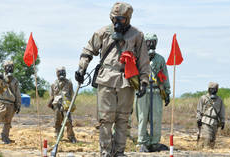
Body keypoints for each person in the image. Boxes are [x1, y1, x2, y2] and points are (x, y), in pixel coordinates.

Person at [75, 2, 150, 157]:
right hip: (106, 80)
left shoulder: (137, 35)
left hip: (127, 81)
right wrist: (81, 68)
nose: (117, 22)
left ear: (128, 18)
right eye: (115, 18)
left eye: (122, 19)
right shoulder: (103, 32)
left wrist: (144, 82)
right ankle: (105, 152)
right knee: (105, 119)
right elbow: (88, 50)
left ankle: (119, 152)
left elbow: (143, 60)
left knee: (123, 119)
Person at [135, 33, 171, 152]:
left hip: (156, 91)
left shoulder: (160, 59)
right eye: (149, 42)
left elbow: (165, 75)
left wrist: (167, 92)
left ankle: (155, 142)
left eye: (153, 42)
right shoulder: (138, 57)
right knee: (142, 117)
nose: (151, 44)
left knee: (156, 118)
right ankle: (142, 142)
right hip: (142, 91)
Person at [47, 66, 77, 143]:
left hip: (66, 105)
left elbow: (72, 94)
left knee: (68, 121)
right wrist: (50, 104)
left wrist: (71, 104)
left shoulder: (69, 83)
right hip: (57, 104)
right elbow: (52, 95)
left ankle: (71, 136)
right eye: (60, 72)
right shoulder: (53, 84)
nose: (62, 74)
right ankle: (58, 136)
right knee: (57, 121)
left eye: (63, 72)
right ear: (57, 73)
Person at [197, 82, 225, 149]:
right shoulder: (203, 98)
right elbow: (199, 109)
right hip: (205, 121)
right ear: (208, 89)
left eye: (214, 89)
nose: (213, 90)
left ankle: (210, 152)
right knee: (206, 137)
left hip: (215, 122)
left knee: (212, 139)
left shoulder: (219, 100)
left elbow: (222, 112)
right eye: (211, 89)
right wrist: (198, 119)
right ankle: (204, 151)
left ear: (217, 90)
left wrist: (223, 121)